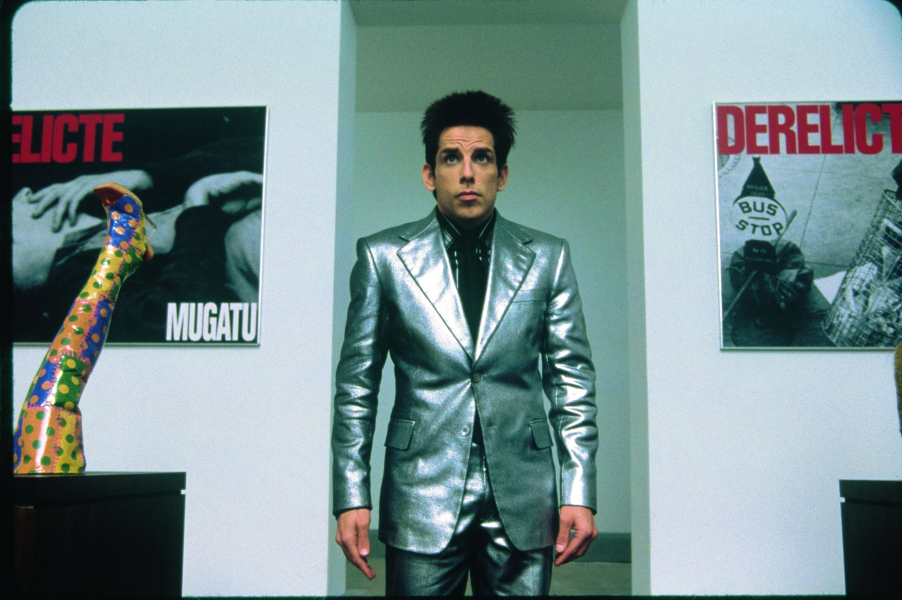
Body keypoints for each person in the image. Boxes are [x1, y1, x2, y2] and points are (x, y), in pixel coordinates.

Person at [331, 91, 599, 595]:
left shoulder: (548, 257)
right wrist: (351, 494)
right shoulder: (383, 258)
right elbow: (356, 388)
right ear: (429, 174)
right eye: (452, 158)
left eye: (483, 158)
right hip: (420, 489)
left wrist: (579, 489)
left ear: (503, 174)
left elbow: (573, 383)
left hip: (524, 493)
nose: (468, 173)